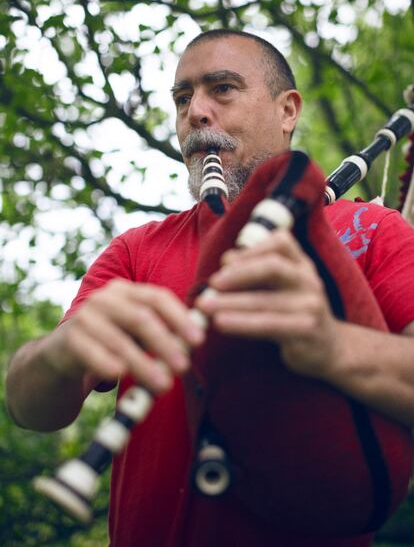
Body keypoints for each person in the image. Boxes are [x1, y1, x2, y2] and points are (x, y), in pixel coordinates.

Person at [6, 29, 414, 546]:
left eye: (222, 88)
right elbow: (28, 408)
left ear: (288, 110)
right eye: (182, 98)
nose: (196, 112)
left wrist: (331, 345)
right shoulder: (137, 250)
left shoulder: (374, 231)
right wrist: (61, 351)